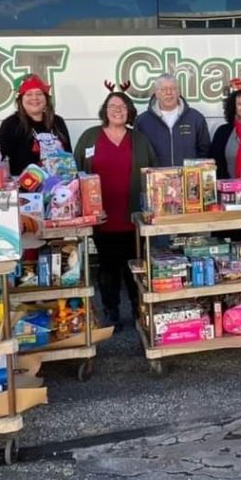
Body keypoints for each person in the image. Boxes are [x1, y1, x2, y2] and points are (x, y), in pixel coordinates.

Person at [74, 84, 157, 329]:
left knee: (134, 266)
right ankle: (111, 311)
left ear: (129, 111)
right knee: (108, 268)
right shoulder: (90, 136)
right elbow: (74, 172)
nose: (117, 111)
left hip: (133, 217)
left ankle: (138, 309)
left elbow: (153, 174)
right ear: (105, 111)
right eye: (112, 107)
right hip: (102, 217)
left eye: (122, 107)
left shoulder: (139, 139)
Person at [0, 73, 71, 176]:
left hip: (60, 186)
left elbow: (69, 157)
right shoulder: (11, 124)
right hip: (24, 188)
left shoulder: (58, 122)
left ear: (46, 98)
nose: (34, 98)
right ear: (21, 100)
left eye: (39, 94)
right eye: (29, 94)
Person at [135, 73, 210, 167]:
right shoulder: (142, 121)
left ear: (178, 92)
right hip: (157, 179)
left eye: (173, 88)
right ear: (157, 93)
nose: (169, 92)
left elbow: (205, 151)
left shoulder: (195, 118)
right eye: (164, 89)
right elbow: (138, 154)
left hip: (188, 179)